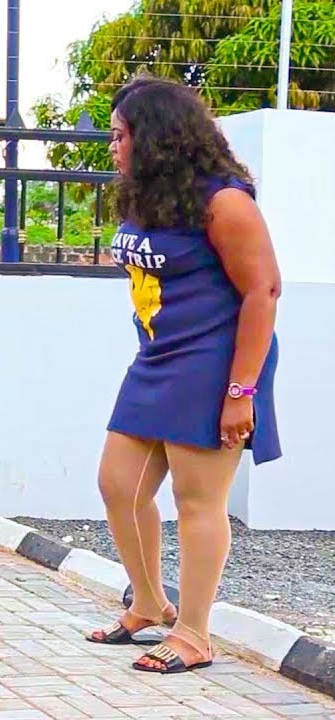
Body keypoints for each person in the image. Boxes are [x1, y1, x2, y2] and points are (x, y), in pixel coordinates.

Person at [88, 76, 282, 675]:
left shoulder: (224, 203)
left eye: (121, 136)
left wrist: (240, 392)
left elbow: (263, 292)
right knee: (118, 484)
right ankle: (148, 602)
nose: (114, 148)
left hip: (215, 363)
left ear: (158, 139)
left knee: (197, 501)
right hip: (158, 358)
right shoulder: (149, 198)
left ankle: (194, 635)